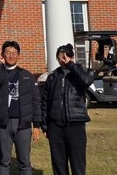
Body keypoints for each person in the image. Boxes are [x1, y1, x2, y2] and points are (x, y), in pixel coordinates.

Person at [0, 41, 41, 175]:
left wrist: (37, 124)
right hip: (3, 124)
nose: (11, 55)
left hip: (23, 124)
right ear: (3, 55)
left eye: (14, 53)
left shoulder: (27, 75)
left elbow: (36, 100)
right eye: (8, 53)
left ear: (18, 55)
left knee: (24, 161)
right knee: (3, 161)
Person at [41, 43, 94, 175]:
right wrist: (45, 125)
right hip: (55, 126)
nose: (62, 59)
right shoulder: (53, 76)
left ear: (71, 56)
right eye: (60, 56)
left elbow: (87, 81)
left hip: (75, 125)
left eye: (65, 56)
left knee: (78, 164)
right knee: (58, 164)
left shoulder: (81, 72)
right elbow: (45, 101)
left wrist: (71, 65)